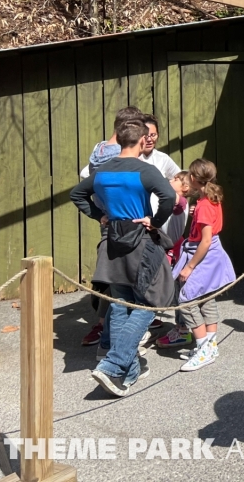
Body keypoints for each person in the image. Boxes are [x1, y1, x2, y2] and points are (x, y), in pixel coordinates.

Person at [70, 118, 176, 397]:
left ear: (119, 141)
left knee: (120, 304)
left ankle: (127, 373)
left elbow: (77, 194)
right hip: (140, 241)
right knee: (148, 303)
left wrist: (99, 215)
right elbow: (168, 196)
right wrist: (154, 221)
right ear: (141, 141)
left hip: (113, 240)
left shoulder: (102, 171)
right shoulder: (145, 169)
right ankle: (113, 365)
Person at [79, 105, 145, 348]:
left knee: (114, 281)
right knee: (126, 285)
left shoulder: (99, 150)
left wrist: (98, 214)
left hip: (107, 218)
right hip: (125, 221)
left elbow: (85, 180)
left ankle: (108, 336)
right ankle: (118, 340)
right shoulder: (119, 154)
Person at [172, 159, 236, 372]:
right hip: (205, 251)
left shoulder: (205, 205)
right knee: (206, 297)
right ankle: (210, 344)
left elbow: (206, 241)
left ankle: (204, 348)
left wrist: (189, 266)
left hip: (204, 254)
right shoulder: (205, 200)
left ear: (192, 178)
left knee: (187, 300)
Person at [156, 171, 195, 351]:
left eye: (176, 179)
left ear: (185, 187)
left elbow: (177, 202)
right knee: (176, 292)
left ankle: (184, 330)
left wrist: (155, 182)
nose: (171, 180)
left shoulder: (181, 202)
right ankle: (180, 327)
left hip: (176, 254)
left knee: (180, 293)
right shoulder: (171, 200)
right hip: (170, 251)